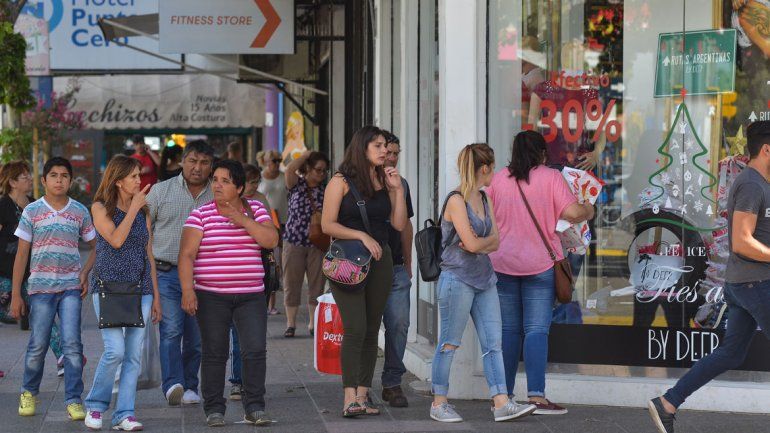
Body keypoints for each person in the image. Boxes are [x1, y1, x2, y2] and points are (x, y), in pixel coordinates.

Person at [648, 121, 770, 433]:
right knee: (731, 352)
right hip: (754, 283)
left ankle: (667, 403)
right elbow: (742, 241)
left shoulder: (760, 183)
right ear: (767, 150)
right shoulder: (752, 184)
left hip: (745, 283)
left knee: (731, 352)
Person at [487, 131, 594, 416]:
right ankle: (537, 396)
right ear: (542, 153)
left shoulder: (498, 179)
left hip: (502, 263)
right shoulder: (550, 177)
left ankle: (505, 397)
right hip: (540, 264)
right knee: (536, 330)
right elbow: (573, 213)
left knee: (508, 331)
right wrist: (589, 209)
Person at [428, 143, 535, 423]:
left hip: (484, 279)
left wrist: (478, 244)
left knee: (493, 344)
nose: (495, 172)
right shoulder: (456, 200)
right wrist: (478, 244)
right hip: (457, 279)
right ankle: (439, 403)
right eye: (493, 166)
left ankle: (501, 402)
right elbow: (475, 244)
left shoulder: (485, 198)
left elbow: (491, 242)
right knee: (449, 343)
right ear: (484, 168)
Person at [179, 160, 279, 427]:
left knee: (255, 350)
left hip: (251, 295)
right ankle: (214, 409)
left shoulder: (256, 209)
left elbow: (270, 240)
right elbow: (187, 255)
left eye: (225, 181)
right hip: (211, 296)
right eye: (215, 180)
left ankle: (254, 407)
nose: (217, 185)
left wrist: (240, 219)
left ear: (240, 187)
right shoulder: (200, 214)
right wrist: (188, 290)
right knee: (214, 352)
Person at [321, 125, 407, 417]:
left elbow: (397, 224)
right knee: (355, 328)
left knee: (372, 330)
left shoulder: (387, 179)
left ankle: (363, 394)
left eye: (386, 146)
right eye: (379, 146)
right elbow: (327, 225)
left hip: (381, 261)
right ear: (362, 148)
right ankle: (348, 397)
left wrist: (397, 191)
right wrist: (362, 236)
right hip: (348, 261)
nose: (386, 151)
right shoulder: (340, 181)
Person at [9, 157, 96, 421]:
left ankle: (73, 399)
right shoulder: (32, 211)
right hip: (40, 290)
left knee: (72, 344)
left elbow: (97, 246)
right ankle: (28, 391)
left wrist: (84, 272)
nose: (59, 180)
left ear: (71, 181)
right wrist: (16, 294)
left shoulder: (80, 211)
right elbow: (22, 254)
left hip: (70, 287)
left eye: (64, 176)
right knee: (37, 344)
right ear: (44, 180)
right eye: (54, 175)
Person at [83, 155, 162, 431]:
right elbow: (115, 240)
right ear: (118, 181)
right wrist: (133, 209)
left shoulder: (143, 210)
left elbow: (148, 253)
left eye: (139, 176)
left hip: (141, 289)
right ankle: (95, 405)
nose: (139, 181)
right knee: (114, 351)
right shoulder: (99, 207)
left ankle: (124, 414)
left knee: (133, 355)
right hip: (109, 288)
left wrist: (156, 296)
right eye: (133, 177)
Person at [146, 140, 214, 406]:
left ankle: (190, 385)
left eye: (204, 162)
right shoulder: (160, 191)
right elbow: (143, 232)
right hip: (166, 272)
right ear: (182, 161)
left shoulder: (217, 195)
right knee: (172, 330)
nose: (198, 167)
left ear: (211, 166)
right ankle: (173, 384)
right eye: (193, 161)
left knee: (196, 338)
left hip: (204, 275)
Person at [0, 162, 66, 373]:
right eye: (24, 176)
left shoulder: (34, 205)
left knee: (42, 313)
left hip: (31, 272)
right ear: (12, 182)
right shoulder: (2, 206)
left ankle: (63, 356)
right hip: (3, 272)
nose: (29, 179)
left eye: (29, 175)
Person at [227, 164, 273, 401]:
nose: (253, 187)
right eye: (250, 182)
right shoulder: (221, 206)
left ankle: (251, 384)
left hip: (255, 276)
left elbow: (269, 237)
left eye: (256, 182)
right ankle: (237, 380)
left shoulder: (260, 203)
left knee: (252, 336)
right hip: (227, 280)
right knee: (234, 333)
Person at [379, 131, 415, 407]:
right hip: (366, 267)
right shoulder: (361, 183)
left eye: (395, 153)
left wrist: (408, 259)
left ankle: (392, 383)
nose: (391, 157)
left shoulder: (400, 183)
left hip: (396, 267)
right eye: (386, 152)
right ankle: (358, 385)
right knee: (366, 328)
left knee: (399, 324)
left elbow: (406, 224)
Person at [282, 150, 330, 338]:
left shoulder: (326, 189)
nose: (321, 174)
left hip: (318, 243)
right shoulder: (296, 185)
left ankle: (313, 324)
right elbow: (289, 170)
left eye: (324, 171)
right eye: (318, 169)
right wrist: (307, 155)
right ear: (308, 168)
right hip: (293, 241)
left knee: (317, 284)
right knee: (291, 283)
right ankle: (291, 324)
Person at [258, 150, 288, 225]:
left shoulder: (285, 177)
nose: (278, 163)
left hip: (283, 219)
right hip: (264, 219)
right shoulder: (258, 178)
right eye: (274, 161)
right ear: (266, 162)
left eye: (279, 160)